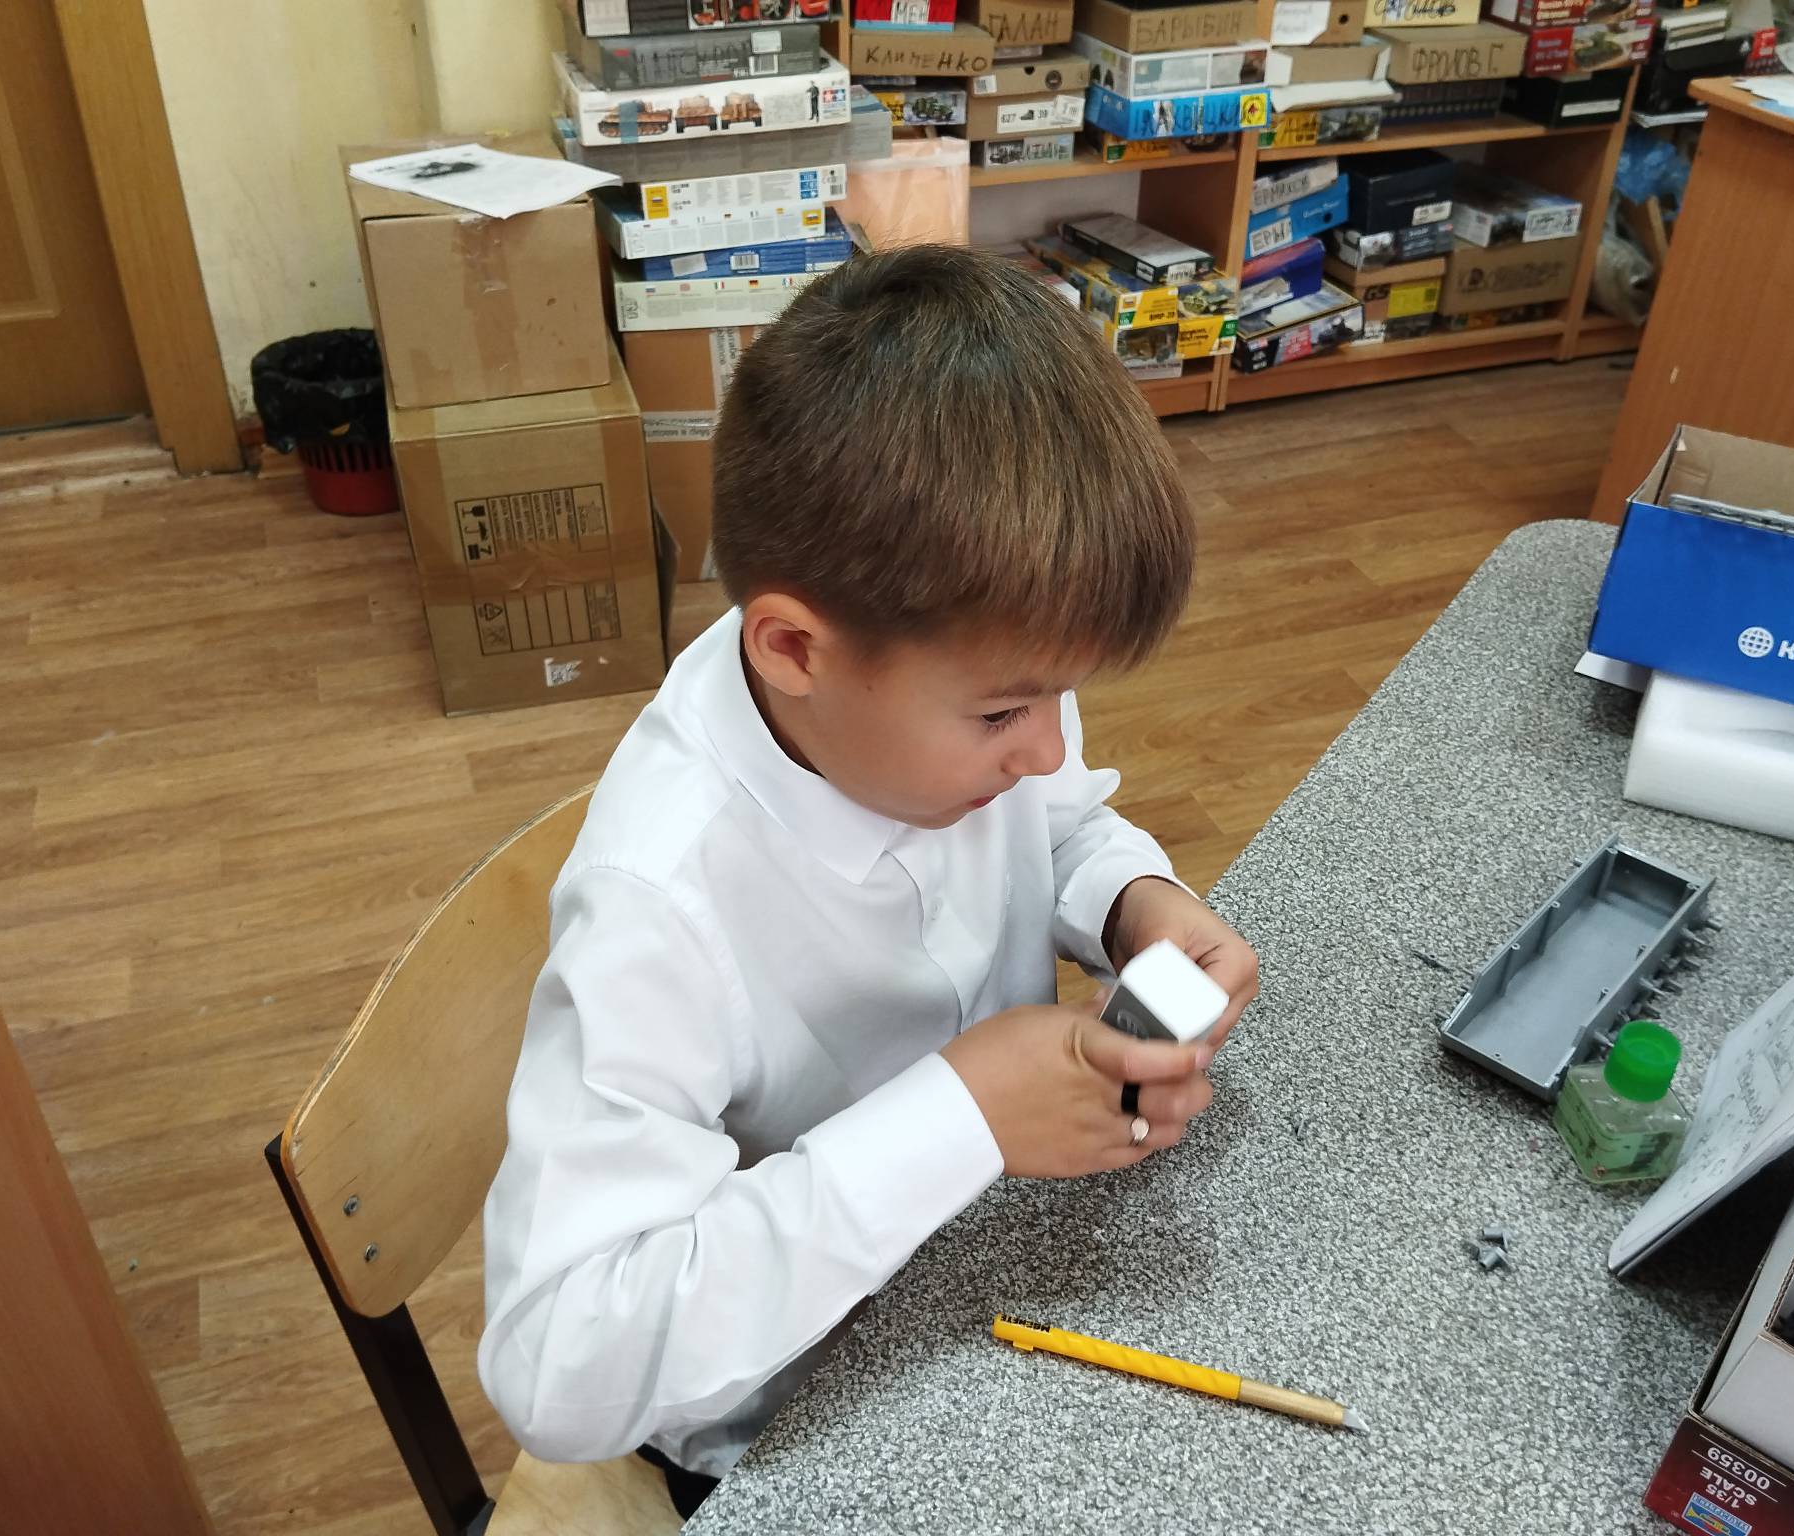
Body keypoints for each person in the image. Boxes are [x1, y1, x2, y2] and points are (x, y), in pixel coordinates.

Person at [478, 245, 1260, 1518]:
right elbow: (558, 1364)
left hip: (988, 1263)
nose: (1047, 747)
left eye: (1062, 697)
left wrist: (1131, 900)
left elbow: (1060, 815)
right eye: (1006, 711)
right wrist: (962, 1118)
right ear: (793, 648)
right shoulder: (658, 902)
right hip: (801, 1413)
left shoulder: (925, 681)